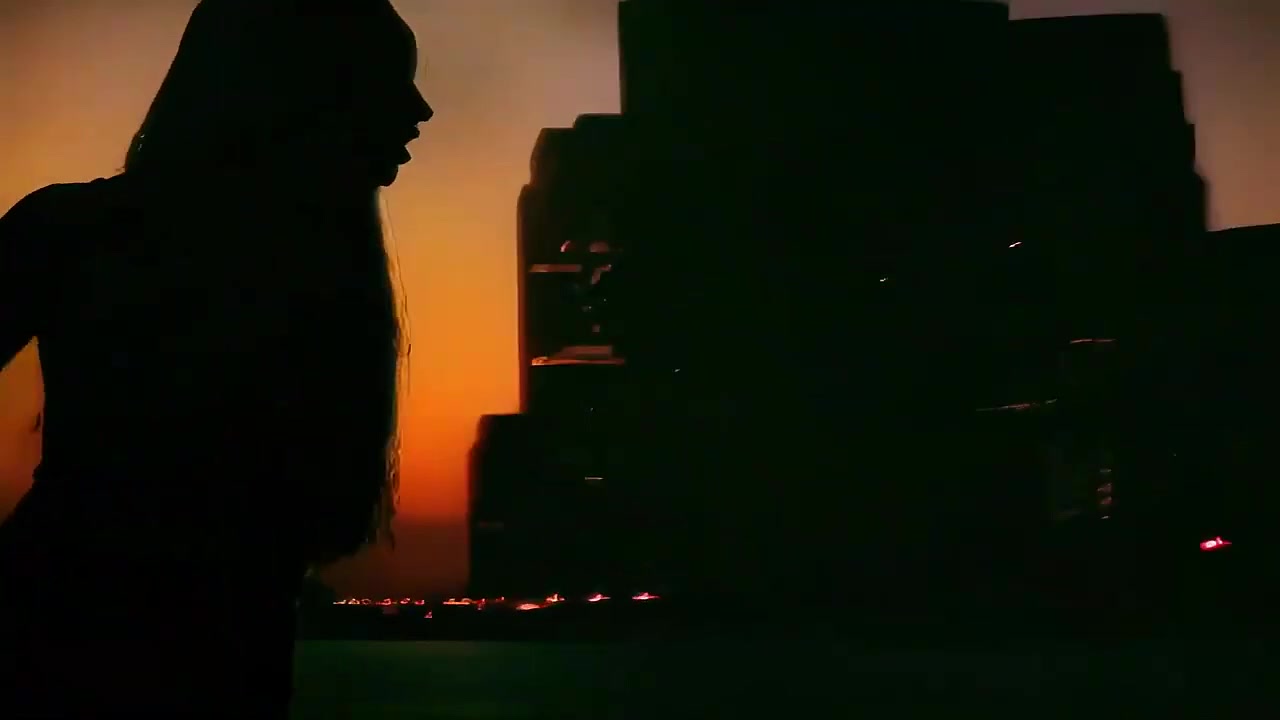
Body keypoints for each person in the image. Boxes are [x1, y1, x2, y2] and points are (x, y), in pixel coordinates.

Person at [0, 0, 433, 716]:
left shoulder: (72, 231)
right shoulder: (311, 284)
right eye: (386, 79)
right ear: (293, 92)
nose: (419, 110)